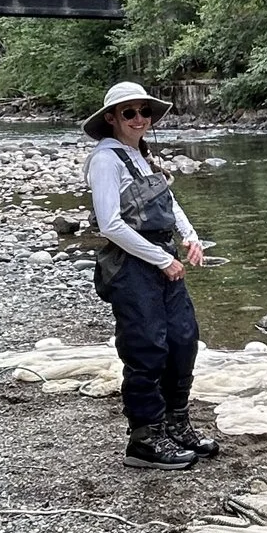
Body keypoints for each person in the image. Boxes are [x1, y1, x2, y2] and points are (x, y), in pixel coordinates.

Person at [81, 80, 214, 471]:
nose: (139, 119)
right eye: (129, 113)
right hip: (131, 266)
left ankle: (177, 423)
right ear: (111, 118)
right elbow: (109, 225)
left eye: (144, 112)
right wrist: (161, 259)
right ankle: (144, 437)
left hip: (162, 259)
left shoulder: (142, 154)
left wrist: (190, 238)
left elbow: (170, 204)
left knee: (183, 339)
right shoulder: (105, 159)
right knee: (146, 347)